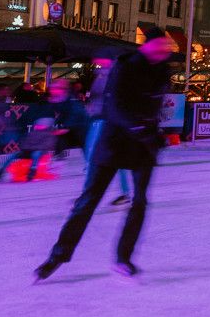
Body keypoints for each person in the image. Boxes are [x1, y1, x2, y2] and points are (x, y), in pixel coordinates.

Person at [34, 26, 179, 281]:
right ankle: (58, 255)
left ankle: (124, 258)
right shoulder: (126, 67)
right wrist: (140, 128)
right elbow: (115, 107)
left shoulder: (163, 70)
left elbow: (154, 106)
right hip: (115, 141)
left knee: (140, 202)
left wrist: (154, 134)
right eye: (159, 48)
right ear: (147, 47)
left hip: (143, 145)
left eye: (165, 49)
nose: (163, 53)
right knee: (88, 200)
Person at [3, 80, 87, 180]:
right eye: (51, 89)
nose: (52, 91)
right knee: (60, 142)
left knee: (84, 145)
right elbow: (51, 111)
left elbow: (75, 114)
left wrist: (66, 127)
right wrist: (43, 122)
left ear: (62, 90)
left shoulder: (71, 99)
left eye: (54, 89)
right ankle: (56, 163)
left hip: (81, 125)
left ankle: (90, 164)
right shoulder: (55, 100)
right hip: (68, 125)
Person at [85, 55, 133, 205]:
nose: (96, 63)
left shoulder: (111, 75)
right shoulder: (102, 75)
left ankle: (89, 192)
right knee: (109, 156)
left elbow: (111, 98)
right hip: (102, 119)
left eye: (100, 59)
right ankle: (124, 193)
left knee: (94, 154)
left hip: (106, 120)